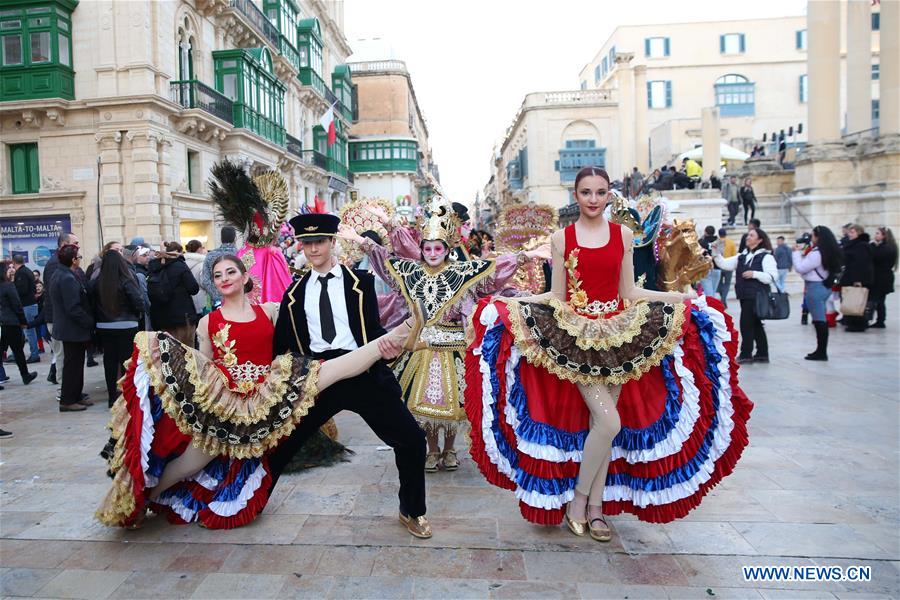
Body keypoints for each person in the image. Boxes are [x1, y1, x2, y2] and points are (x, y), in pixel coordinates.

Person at [465, 166, 753, 540]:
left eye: (601, 192)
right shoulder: (561, 238)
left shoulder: (624, 235)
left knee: (600, 426)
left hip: (620, 338)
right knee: (609, 423)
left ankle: (595, 509)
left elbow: (630, 292)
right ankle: (579, 502)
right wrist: (509, 304)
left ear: (608, 194)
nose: (594, 199)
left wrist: (678, 297)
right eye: (586, 192)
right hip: (576, 339)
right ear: (576, 195)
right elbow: (557, 296)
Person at [96, 253, 411, 530]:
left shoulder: (271, 311)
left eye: (230, 272)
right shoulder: (208, 321)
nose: (224, 279)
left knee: (325, 370)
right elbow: (203, 365)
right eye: (217, 275)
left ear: (245, 276)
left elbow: (306, 320)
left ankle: (393, 338)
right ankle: (141, 500)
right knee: (192, 463)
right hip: (224, 403)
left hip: (266, 393)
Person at [343, 193, 546, 473]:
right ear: (422, 249)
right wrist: (362, 240)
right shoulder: (412, 271)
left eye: (439, 249)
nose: (433, 254)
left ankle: (449, 450)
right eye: (428, 249)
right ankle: (432, 450)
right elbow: (387, 262)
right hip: (424, 346)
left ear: (446, 249)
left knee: (454, 404)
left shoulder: (462, 272)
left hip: (455, 347)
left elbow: (493, 270)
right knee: (424, 406)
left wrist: (525, 256)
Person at [269, 213, 433, 538]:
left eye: (319, 242)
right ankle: (249, 502)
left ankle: (412, 511)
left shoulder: (362, 283)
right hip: (319, 376)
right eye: (306, 243)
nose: (313, 249)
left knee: (412, 440)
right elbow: (283, 347)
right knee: (278, 444)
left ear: (332, 242)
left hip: (363, 371)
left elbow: (372, 329)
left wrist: (386, 348)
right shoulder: (293, 294)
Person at [89, 250, 146, 406]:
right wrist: (136, 315)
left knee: (109, 361)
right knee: (126, 361)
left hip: (104, 326)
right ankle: (127, 395)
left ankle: (111, 396)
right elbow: (138, 301)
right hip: (127, 325)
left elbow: (91, 304)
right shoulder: (126, 279)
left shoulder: (97, 281)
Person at [714, 227, 778, 363]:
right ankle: (762, 353)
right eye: (748, 235)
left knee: (746, 324)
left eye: (752, 235)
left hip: (757, 296)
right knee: (755, 324)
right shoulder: (742, 256)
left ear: (760, 240)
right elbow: (724, 264)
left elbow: (772, 276)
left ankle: (746, 354)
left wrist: (754, 274)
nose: (748, 237)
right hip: (745, 295)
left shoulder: (766, 257)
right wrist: (716, 253)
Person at [49, 245, 94, 411]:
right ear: (73, 260)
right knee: (72, 365)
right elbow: (73, 307)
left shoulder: (63, 273)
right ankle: (68, 400)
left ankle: (75, 395)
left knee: (75, 363)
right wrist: (88, 321)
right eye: (79, 257)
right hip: (72, 329)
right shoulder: (66, 277)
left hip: (71, 329)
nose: (80, 259)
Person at [792, 226, 843, 361]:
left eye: (813, 236)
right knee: (820, 319)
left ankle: (821, 351)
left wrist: (796, 253)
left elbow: (800, 268)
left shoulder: (817, 253)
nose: (811, 238)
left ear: (818, 237)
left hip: (815, 288)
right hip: (823, 287)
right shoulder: (826, 251)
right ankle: (820, 350)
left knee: (819, 320)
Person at [43, 232, 79, 390]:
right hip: (58, 318)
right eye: (75, 243)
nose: (78, 246)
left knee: (67, 356)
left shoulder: (62, 263)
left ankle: (70, 390)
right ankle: (63, 391)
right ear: (64, 244)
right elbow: (57, 294)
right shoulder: (55, 264)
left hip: (65, 318)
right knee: (61, 355)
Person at [147, 241, 200, 346]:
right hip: (183, 317)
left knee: (168, 352)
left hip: (161, 318)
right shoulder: (180, 265)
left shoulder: (154, 266)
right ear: (177, 252)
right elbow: (193, 288)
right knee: (187, 351)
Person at [0, 261, 38, 386]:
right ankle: (25, 375)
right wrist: (23, 321)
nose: (11, 270)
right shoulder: (8, 286)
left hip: (3, 323)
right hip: (11, 323)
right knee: (18, 350)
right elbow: (17, 306)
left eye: (12, 267)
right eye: (8, 268)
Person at [840, 224, 874, 332]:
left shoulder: (861, 245)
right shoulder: (851, 244)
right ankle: (851, 322)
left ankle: (858, 323)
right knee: (850, 300)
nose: (850, 234)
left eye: (852, 232)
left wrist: (858, 280)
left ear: (858, 233)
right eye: (850, 232)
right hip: (850, 276)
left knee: (857, 301)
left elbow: (861, 264)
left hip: (857, 277)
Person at [201, 226, 238, 308]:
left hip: (217, 302)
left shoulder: (211, 255)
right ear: (235, 238)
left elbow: (205, 281)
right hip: (238, 299)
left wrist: (217, 297)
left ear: (221, 238)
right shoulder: (240, 254)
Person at [11, 255, 39, 363]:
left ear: (14, 262)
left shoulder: (22, 273)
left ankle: (34, 355)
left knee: (29, 331)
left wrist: (13, 288)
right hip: (29, 304)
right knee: (27, 331)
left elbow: (23, 290)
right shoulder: (27, 271)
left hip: (27, 305)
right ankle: (19, 353)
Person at [869, 227, 897, 328]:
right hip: (881, 277)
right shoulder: (886, 247)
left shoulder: (886, 248)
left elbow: (876, 257)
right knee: (880, 300)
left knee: (878, 300)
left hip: (882, 278)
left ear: (884, 236)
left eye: (878, 233)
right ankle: (880, 320)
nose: (875, 235)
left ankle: (880, 320)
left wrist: (872, 246)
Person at [183, 239, 209, 319]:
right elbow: (204, 283)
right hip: (201, 299)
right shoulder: (202, 263)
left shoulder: (183, 262)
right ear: (199, 249)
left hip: (188, 299)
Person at [698, 225, 721, 298]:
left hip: (705, 269)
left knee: (709, 295)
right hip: (717, 268)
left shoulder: (701, 241)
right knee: (712, 292)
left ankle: (712, 307)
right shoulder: (719, 242)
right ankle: (713, 306)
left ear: (705, 232)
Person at [716, 228, 736, 308]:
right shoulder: (731, 242)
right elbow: (734, 254)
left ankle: (723, 298)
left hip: (719, 265)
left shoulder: (716, 243)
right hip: (729, 266)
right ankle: (723, 298)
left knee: (720, 283)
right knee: (727, 284)